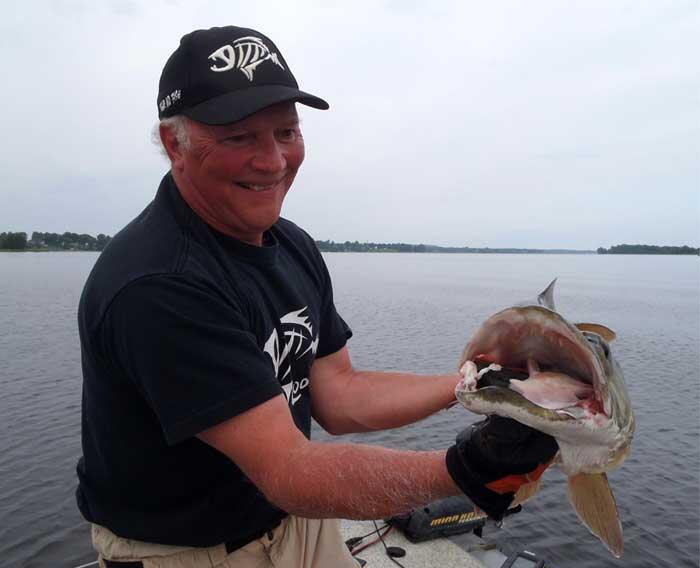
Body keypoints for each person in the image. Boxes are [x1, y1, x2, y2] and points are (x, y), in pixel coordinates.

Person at [76, 25, 557, 568]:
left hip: (294, 526)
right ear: (175, 143)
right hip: (188, 552)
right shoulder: (159, 284)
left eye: (286, 131)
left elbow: (339, 394)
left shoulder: (291, 246)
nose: (273, 160)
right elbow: (289, 469)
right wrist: (465, 471)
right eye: (239, 137)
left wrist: (480, 385)